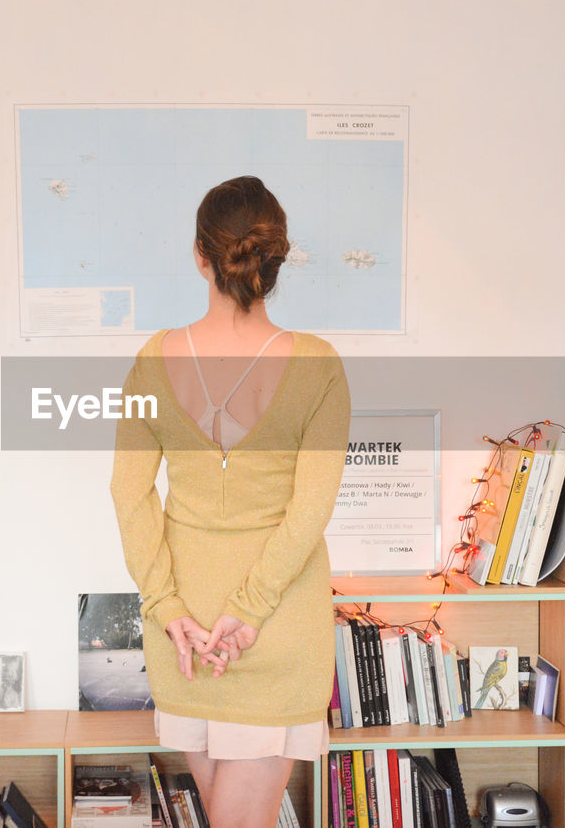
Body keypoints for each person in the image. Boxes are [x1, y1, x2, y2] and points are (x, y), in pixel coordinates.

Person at [111, 176, 350, 828]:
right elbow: (311, 507)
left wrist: (164, 606)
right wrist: (248, 613)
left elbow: (129, 493)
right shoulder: (318, 365)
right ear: (274, 261)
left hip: (185, 630)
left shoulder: (152, 360)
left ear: (200, 255)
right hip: (269, 629)